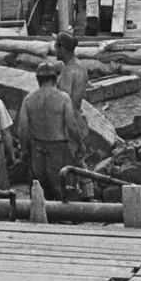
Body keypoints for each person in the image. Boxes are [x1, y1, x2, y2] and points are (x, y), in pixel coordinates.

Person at [16, 60, 82, 201]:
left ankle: (44, 220)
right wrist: (80, 145)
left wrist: (23, 149)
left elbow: (22, 128)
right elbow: (72, 126)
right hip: (59, 149)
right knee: (62, 188)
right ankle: (64, 218)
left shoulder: (28, 99)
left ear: (38, 80)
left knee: (41, 190)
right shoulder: (63, 98)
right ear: (56, 78)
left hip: (37, 149)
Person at [54, 33, 90, 115]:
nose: (54, 50)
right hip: (78, 114)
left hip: (69, 119)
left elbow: (63, 102)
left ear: (62, 49)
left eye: (56, 47)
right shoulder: (80, 65)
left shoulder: (68, 70)